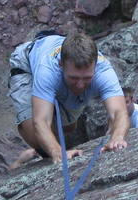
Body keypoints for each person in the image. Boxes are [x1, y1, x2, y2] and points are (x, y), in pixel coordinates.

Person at [8, 31, 129, 167]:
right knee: (34, 133)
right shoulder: (47, 70)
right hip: (27, 64)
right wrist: (58, 153)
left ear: (95, 66)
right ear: (61, 64)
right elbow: (41, 121)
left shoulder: (104, 70)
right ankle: (34, 151)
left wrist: (117, 138)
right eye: (74, 78)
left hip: (57, 68)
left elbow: (119, 112)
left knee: (69, 127)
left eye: (87, 78)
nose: (80, 85)